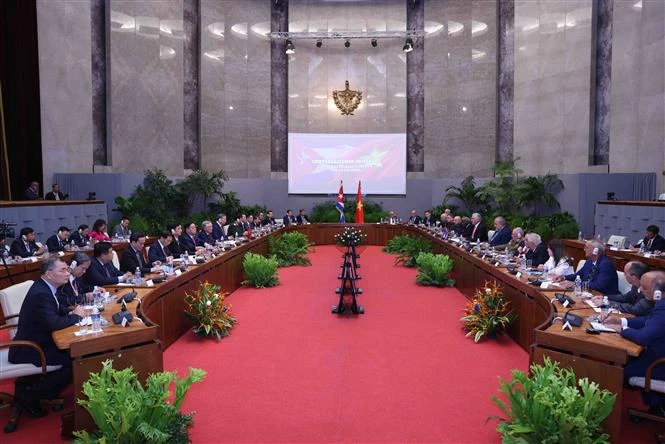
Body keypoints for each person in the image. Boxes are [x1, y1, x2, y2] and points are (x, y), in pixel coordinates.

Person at [9, 257, 85, 415]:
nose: (67, 273)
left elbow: (54, 309)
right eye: (62, 270)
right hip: (29, 348)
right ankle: (29, 396)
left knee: (73, 354)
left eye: (67, 269)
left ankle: (40, 389)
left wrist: (69, 311)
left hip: (39, 340)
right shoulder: (41, 293)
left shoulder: (46, 287)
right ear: (48, 274)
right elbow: (53, 324)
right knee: (74, 361)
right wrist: (76, 317)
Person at [604, 272, 665, 413]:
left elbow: (644, 337)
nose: (640, 290)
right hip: (657, 355)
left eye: (644, 287)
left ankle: (608, 412)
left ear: (657, 292)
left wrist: (622, 330)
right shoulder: (661, 305)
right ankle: (657, 404)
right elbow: (647, 321)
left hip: (659, 364)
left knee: (616, 371)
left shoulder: (663, 308)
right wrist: (620, 321)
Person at [554, 239, 619, 295]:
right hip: (589, 293)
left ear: (595, 250)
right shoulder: (589, 261)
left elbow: (599, 285)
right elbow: (578, 275)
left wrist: (575, 284)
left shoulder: (605, 264)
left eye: (587, 247)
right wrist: (563, 277)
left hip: (604, 296)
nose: (584, 249)